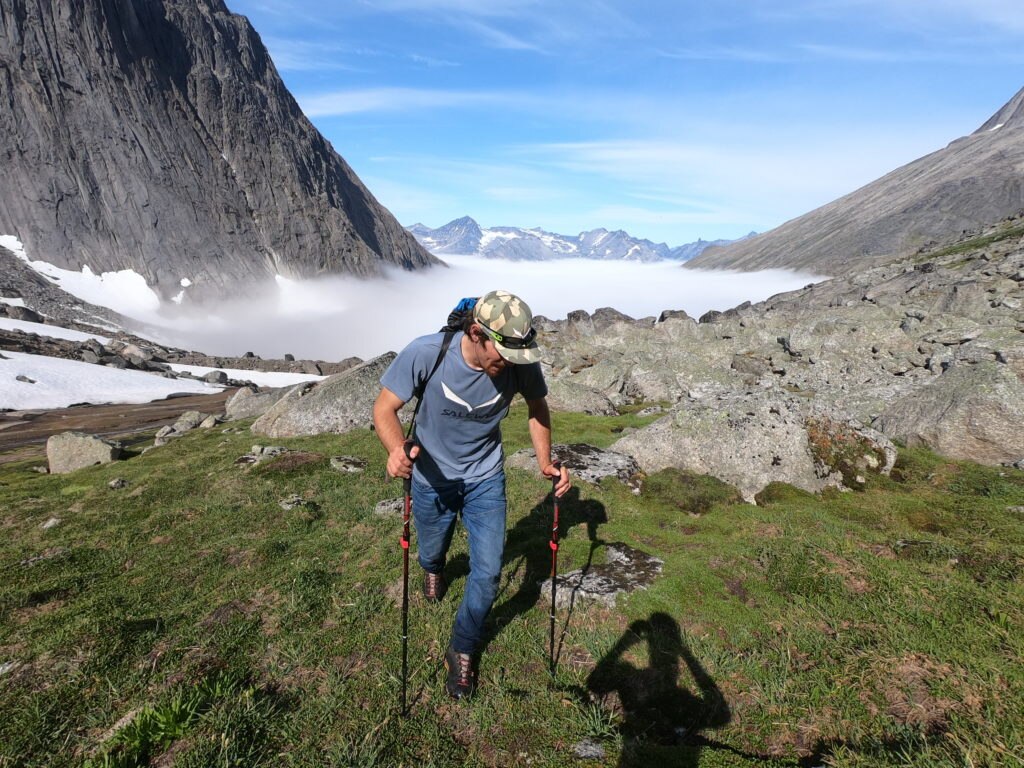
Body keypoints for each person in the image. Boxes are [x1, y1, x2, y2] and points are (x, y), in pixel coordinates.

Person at [373, 289, 571, 700]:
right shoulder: (427, 352)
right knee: (431, 549)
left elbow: (538, 409)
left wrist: (545, 461)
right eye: (501, 355)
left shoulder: (516, 360)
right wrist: (396, 450)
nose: (508, 366)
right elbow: (384, 408)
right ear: (476, 334)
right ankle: (434, 568)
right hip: (431, 477)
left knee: (488, 570)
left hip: (485, 478)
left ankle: (461, 647)